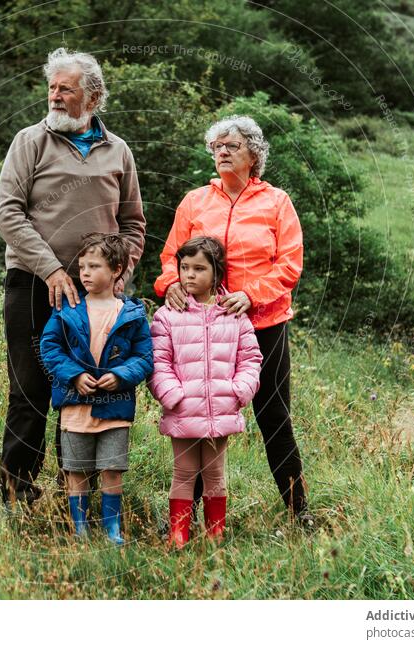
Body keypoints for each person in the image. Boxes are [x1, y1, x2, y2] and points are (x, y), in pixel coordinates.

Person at [0, 48, 146, 506]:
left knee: (83, 389)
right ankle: (15, 492)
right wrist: (52, 269)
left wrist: (120, 272)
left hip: (96, 295)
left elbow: (134, 224)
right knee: (29, 389)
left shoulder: (118, 150)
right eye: (52, 88)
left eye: (66, 89)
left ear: (93, 96)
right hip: (33, 284)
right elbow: (7, 214)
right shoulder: (29, 141)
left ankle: (72, 496)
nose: (55, 97)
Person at [154, 115, 313, 526]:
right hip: (200, 329)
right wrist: (171, 282)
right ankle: (183, 525)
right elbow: (172, 257)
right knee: (192, 417)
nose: (222, 152)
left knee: (274, 417)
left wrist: (250, 294)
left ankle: (300, 513)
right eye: (217, 147)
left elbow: (290, 264)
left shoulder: (276, 202)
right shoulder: (195, 201)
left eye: (232, 146)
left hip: (264, 325)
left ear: (253, 155)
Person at [40, 234, 153, 544]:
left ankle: (112, 529)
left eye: (94, 266)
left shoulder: (130, 313)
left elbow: (144, 356)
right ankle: (79, 530)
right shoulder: (67, 308)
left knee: (112, 469)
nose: (85, 273)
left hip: (115, 407)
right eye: (82, 266)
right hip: (75, 405)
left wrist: (122, 375)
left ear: (116, 269)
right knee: (76, 471)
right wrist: (74, 375)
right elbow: (50, 347)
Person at [149, 236, 261, 547]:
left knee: (214, 475)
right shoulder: (167, 316)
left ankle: (215, 536)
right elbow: (159, 362)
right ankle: (178, 536)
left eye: (199, 268)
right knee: (183, 473)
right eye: (184, 268)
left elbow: (250, 358)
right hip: (183, 410)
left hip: (220, 410)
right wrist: (173, 396)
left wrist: (238, 391)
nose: (189, 275)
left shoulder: (234, 315)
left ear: (217, 273)